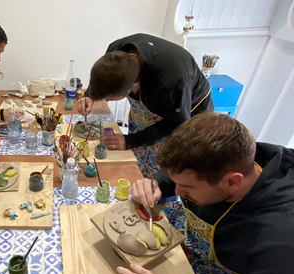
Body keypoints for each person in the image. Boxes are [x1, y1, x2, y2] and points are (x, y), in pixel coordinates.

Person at [119, 112, 294, 274]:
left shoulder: (280, 240)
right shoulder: (233, 157)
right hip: (188, 249)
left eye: (187, 188)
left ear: (232, 182)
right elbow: (184, 172)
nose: (177, 193)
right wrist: (157, 182)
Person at [78, 34, 214, 176]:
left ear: (132, 88)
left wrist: (131, 141)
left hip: (185, 110)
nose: (106, 101)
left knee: (162, 166)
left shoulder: (170, 83)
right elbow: (101, 77)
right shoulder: (116, 51)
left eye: (109, 99)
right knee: (136, 157)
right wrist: (89, 95)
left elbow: (176, 122)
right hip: (158, 98)